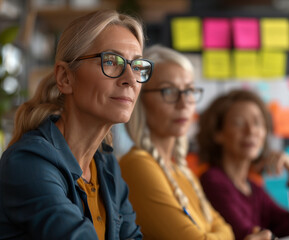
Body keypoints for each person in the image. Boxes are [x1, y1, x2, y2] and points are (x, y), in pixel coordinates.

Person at [0, 10, 153, 239]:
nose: (131, 79)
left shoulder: (105, 164)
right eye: (111, 61)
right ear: (65, 78)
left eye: (138, 66)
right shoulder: (28, 162)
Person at [119, 45, 234, 239]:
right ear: (140, 100)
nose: (183, 103)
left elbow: (227, 229)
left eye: (189, 91)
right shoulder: (137, 164)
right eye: (168, 91)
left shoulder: (180, 170)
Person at [197, 89, 289, 240]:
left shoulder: (253, 189)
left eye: (257, 122)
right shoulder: (212, 180)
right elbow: (248, 234)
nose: (251, 131)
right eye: (239, 123)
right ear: (218, 133)